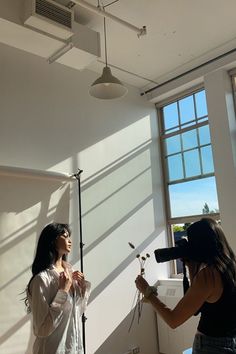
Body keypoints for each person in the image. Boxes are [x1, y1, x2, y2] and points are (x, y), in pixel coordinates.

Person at [135, 217, 236, 354]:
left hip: (210, 346)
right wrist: (191, 265)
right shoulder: (230, 267)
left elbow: (173, 320)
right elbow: (197, 307)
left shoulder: (208, 277)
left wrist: (147, 292)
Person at [25, 222, 91, 354]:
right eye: (65, 236)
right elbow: (42, 329)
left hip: (73, 348)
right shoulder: (41, 280)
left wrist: (82, 287)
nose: (70, 241)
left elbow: (77, 312)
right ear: (52, 240)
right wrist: (63, 292)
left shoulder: (69, 273)